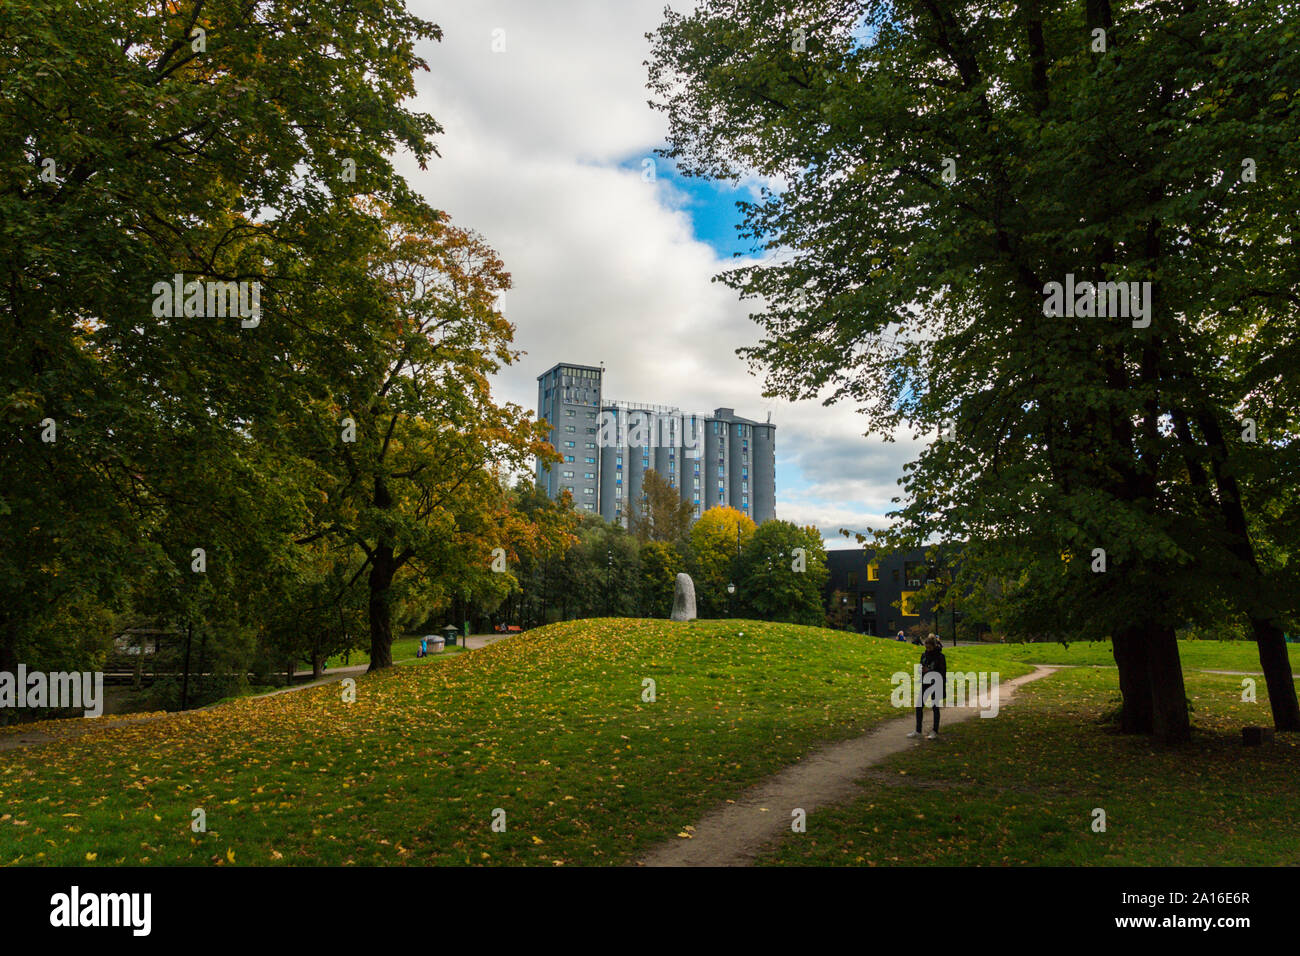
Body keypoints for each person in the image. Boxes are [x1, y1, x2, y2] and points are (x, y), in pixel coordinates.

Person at [907, 635, 947, 740]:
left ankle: (935, 731)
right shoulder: (924, 655)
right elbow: (921, 666)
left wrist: (929, 671)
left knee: (935, 707)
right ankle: (918, 730)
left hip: (936, 684)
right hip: (925, 683)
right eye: (926, 647)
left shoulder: (940, 657)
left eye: (929, 648)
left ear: (934, 646)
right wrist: (922, 670)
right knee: (919, 706)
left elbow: (942, 672)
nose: (928, 650)